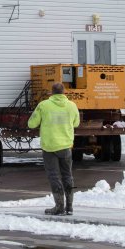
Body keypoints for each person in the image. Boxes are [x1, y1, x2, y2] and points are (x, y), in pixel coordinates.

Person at [28, 82, 80, 215]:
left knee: (54, 176)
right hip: (66, 146)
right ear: (64, 92)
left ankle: (59, 206)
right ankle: (69, 206)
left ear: (52, 92)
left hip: (50, 147)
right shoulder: (72, 106)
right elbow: (76, 123)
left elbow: (32, 123)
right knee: (67, 175)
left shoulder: (44, 105)